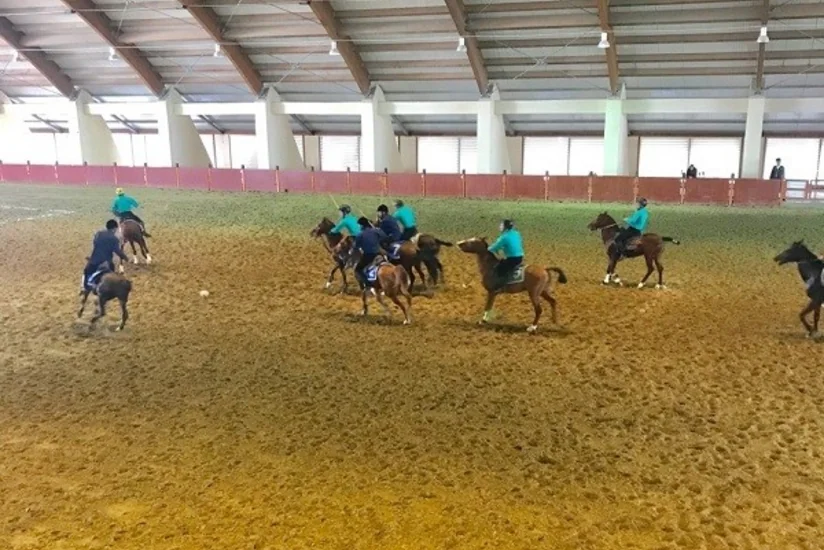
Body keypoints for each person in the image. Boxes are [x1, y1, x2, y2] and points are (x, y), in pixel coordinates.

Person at [81, 219, 128, 292]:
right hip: (107, 262)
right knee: (112, 273)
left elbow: (95, 244)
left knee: (86, 271)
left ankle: (84, 287)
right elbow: (117, 251)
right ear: (115, 228)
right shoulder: (114, 239)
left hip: (94, 260)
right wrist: (125, 257)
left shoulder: (98, 234)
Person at [488, 219, 524, 289]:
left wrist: (488, 249)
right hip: (520, 256)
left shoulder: (504, 237)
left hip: (512, 258)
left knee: (500, 269)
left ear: (505, 227)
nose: (500, 227)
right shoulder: (517, 233)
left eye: (501, 225)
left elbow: (495, 247)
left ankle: (501, 286)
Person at [353, 217, 387, 288]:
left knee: (358, 270)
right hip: (379, 253)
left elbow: (356, 246)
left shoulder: (360, 235)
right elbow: (384, 237)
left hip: (368, 256)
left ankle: (368, 285)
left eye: (359, 225)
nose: (359, 227)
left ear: (362, 225)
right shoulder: (376, 230)